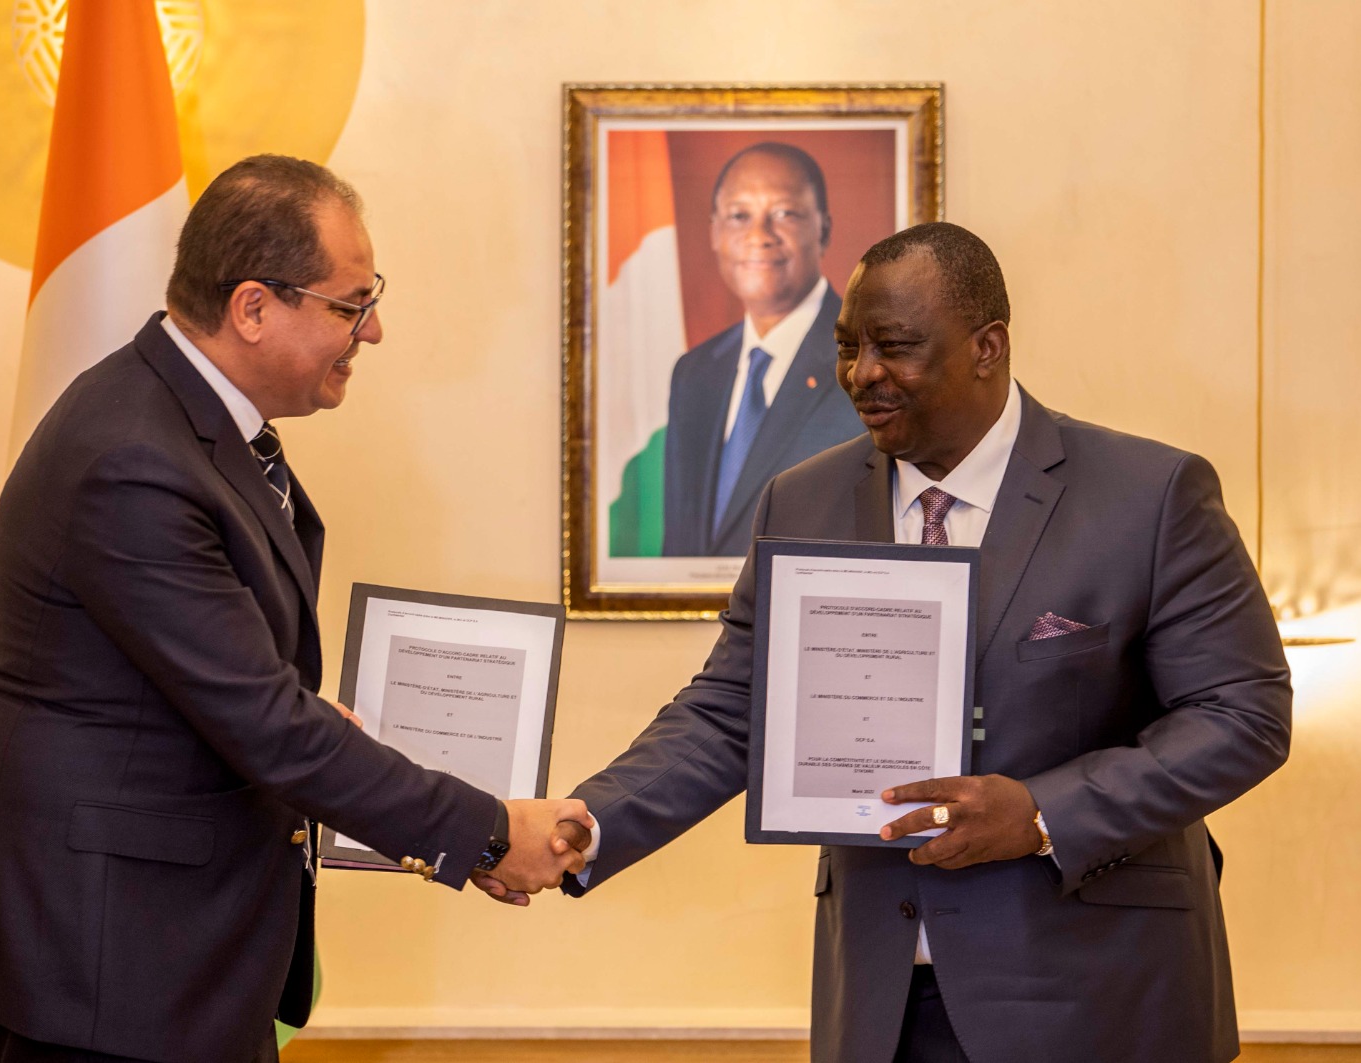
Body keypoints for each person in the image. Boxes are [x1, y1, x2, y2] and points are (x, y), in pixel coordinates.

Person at [516, 223, 1293, 1062]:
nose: (861, 374)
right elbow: (732, 709)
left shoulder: (1149, 494)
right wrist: (586, 823)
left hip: (1101, 995)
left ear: (988, 347)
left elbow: (1243, 714)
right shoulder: (801, 501)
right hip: (882, 1000)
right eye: (848, 347)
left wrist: (1041, 813)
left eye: (893, 346)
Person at [0, 155, 589, 1063]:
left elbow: (217, 690)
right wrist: (487, 832)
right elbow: (267, 726)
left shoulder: (186, 427)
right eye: (351, 304)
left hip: (171, 964)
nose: (373, 329)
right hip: (109, 976)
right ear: (253, 307)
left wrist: (307, 720)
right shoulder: (134, 458)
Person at [661, 142, 864, 557]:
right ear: (715, 232)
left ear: (824, 229)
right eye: (740, 216)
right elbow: (680, 541)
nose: (759, 236)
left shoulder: (864, 362)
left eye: (785, 214)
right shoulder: (694, 372)